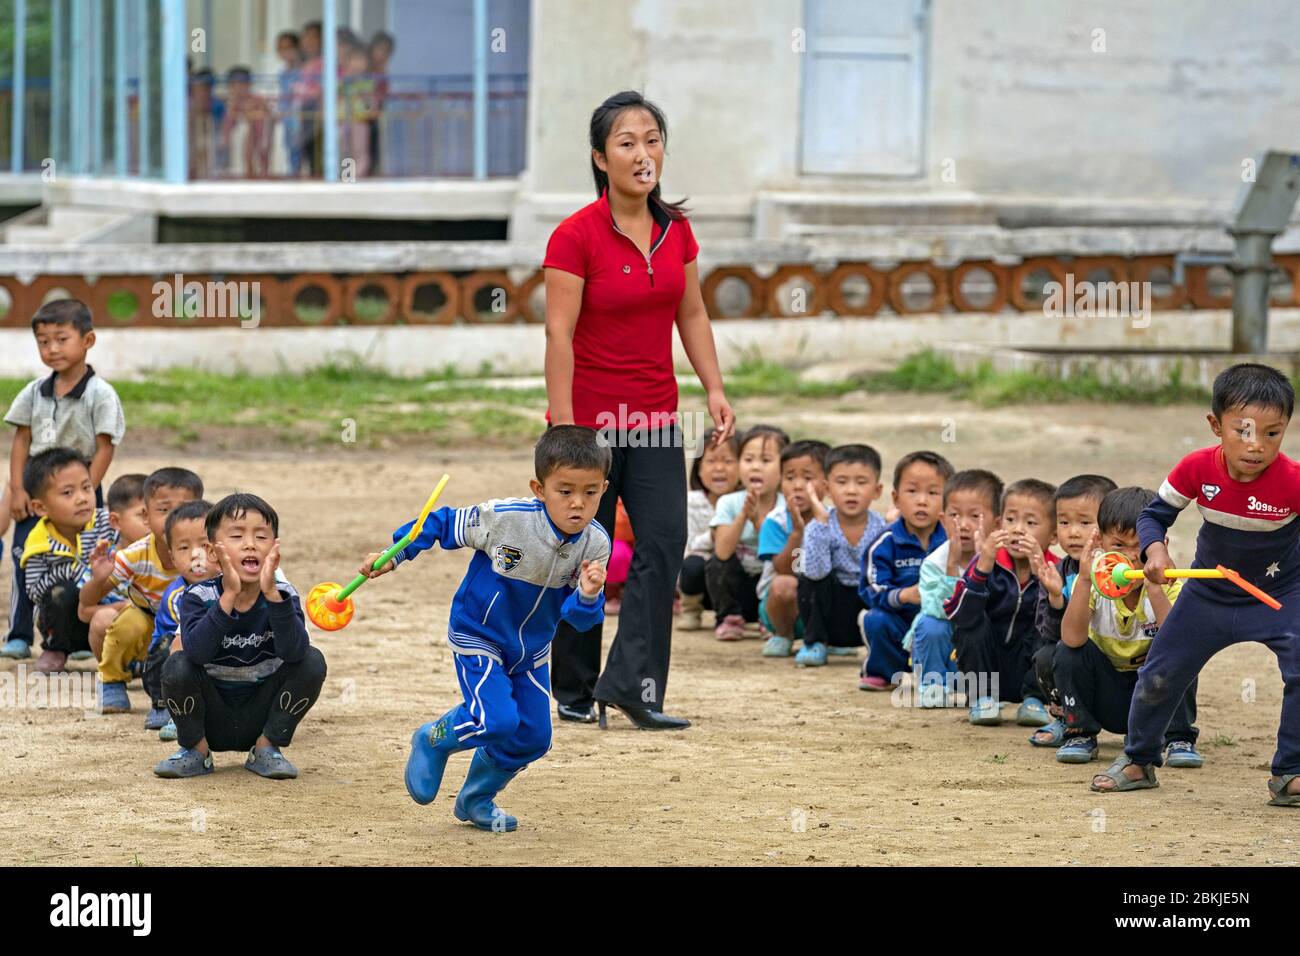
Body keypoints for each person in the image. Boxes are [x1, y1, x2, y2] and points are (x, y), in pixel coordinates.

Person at [542, 90, 735, 730]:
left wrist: (713, 388)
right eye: (627, 142)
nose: (643, 153)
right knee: (578, 545)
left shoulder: (677, 231)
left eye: (652, 139)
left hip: (656, 418)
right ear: (601, 158)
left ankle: (635, 686)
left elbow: (693, 314)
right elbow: (558, 336)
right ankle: (571, 687)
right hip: (589, 424)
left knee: (664, 541)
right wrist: (564, 426)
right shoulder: (574, 237)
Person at [362, 426, 611, 831]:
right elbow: (441, 523)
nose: (578, 504)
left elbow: (580, 621)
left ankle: (476, 799)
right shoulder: (506, 519)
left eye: (590, 492)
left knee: (534, 737)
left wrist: (587, 595)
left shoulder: (596, 544)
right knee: (496, 721)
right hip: (478, 633)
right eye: (565, 491)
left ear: (604, 488)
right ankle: (433, 738)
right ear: (539, 487)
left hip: (531, 650)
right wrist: (396, 554)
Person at [1092, 363, 1300, 806]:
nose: (1255, 445)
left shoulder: (1294, 482)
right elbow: (1154, 515)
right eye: (1242, 430)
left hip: (1281, 596)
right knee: (1161, 672)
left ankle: (1290, 774)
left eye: (1272, 433)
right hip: (1208, 595)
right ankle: (1139, 760)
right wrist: (1156, 552)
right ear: (1215, 425)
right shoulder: (1196, 468)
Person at [155, 493, 326, 780]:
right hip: (211, 716)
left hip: (261, 716)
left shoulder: (284, 595)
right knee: (177, 664)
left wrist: (272, 595)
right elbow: (196, 653)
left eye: (261, 537)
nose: (250, 544)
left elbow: (295, 653)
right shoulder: (198, 596)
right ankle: (195, 751)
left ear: (274, 549)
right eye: (237, 535)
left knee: (313, 660)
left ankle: (267, 749)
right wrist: (230, 596)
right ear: (212, 552)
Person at [4, 299, 125, 670]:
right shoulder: (34, 391)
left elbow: (106, 447)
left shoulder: (100, 394)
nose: (52, 349)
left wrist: (83, 490)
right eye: (43, 341)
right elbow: (21, 440)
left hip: (82, 487)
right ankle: (20, 635)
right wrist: (18, 488)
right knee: (26, 558)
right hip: (37, 491)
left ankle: (80, 636)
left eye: (61, 339)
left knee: (91, 560)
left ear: (87, 340)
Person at [1052, 487, 1201, 767]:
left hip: (1152, 699)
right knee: (1065, 653)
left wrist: (1154, 591)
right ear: (1101, 543)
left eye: (1141, 546)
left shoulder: (1169, 587)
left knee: (1184, 657)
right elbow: (1072, 639)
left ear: (1161, 546)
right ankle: (1079, 732)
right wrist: (1084, 581)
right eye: (1119, 546)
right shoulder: (1094, 583)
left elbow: (1177, 644)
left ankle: (1179, 737)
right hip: (1107, 695)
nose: (1132, 557)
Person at [79, 467, 205, 717]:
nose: (174, 519)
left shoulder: (208, 552)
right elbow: (87, 602)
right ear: (146, 515)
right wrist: (98, 579)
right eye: (164, 509)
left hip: (192, 622)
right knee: (130, 623)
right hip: (148, 621)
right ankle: (112, 680)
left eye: (185, 509)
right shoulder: (135, 554)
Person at [946, 478, 1059, 726]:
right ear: (998, 524)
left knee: (1051, 631)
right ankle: (982, 699)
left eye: (1030, 522)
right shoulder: (987, 562)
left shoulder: (1056, 570)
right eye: (1010, 519)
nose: (1018, 529)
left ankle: (1035, 700)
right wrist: (982, 569)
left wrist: (1047, 586)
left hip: (1029, 669)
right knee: (972, 625)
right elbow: (958, 615)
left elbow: (1058, 629)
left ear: (1053, 535)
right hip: (987, 665)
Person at [1028, 474, 1117, 746]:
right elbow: (1051, 635)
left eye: (1085, 522)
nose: (1074, 532)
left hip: (1115, 664)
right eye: (1064, 522)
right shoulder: (1057, 572)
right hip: (1076, 663)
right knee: (1046, 656)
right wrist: (1056, 597)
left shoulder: (1118, 569)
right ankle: (1065, 718)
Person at [905, 468, 1002, 704]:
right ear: (942, 519)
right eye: (955, 515)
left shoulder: (1001, 561)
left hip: (977, 651)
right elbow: (939, 611)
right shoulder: (934, 562)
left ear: (997, 523)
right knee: (931, 625)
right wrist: (951, 569)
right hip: (940, 648)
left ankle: (984, 687)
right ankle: (933, 684)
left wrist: (983, 567)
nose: (964, 525)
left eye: (975, 516)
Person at [859, 450, 953, 691]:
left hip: (941, 623)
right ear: (896, 498)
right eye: (912, 491)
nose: (922, 500)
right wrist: (902, 596)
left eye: (933, 493)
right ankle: (885, 671)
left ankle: (944, 674)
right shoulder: (886, 542)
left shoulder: (953, 543)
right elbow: (870, 588)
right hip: (899, 621)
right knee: (875, 619)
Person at [16, 449, 117, 668]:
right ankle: (56, 648)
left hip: (107, 612)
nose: (82, 498)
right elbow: (34, 590)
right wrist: (80, 573)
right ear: (40, 507)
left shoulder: (107, 523)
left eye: (86, 487)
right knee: (59, 592)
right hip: (65, 621)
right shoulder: (39, 542)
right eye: (68, 493)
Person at [794, 444, 888, 667]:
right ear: (827, 488)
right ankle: (814, 643)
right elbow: (816, 574)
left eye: (861, 482)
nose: (851, 490)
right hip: (830, 612)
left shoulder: (883, 529)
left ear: (877, 490)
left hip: (865, 611)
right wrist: (821, 524)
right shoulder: (818, 526)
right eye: (842, 482)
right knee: (807, 578)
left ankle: (882, 646)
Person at [708, 425, 787, 641]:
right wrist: (743, 515)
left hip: (769, 586)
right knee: (715, 564)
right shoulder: (728, 502)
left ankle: (770, 618)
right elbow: (722, 552)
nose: (755, 467)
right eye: (748, 459)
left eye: (766, 460)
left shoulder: (786, 505)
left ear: (783, 468)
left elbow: (785, 556)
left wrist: (759, 522)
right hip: (738, 588)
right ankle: (730, 618)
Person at [756, 440, 829, 657]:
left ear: (827, 483)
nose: (797, 485)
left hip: (819, 606)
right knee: (784, 584)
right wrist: (797, 533)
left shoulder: (832, 519)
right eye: (789, 478)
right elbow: (785, 569)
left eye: (807, 478)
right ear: (780, 483)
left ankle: (826, 638)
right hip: (781, 606)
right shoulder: (776, 521)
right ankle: (783, 635)